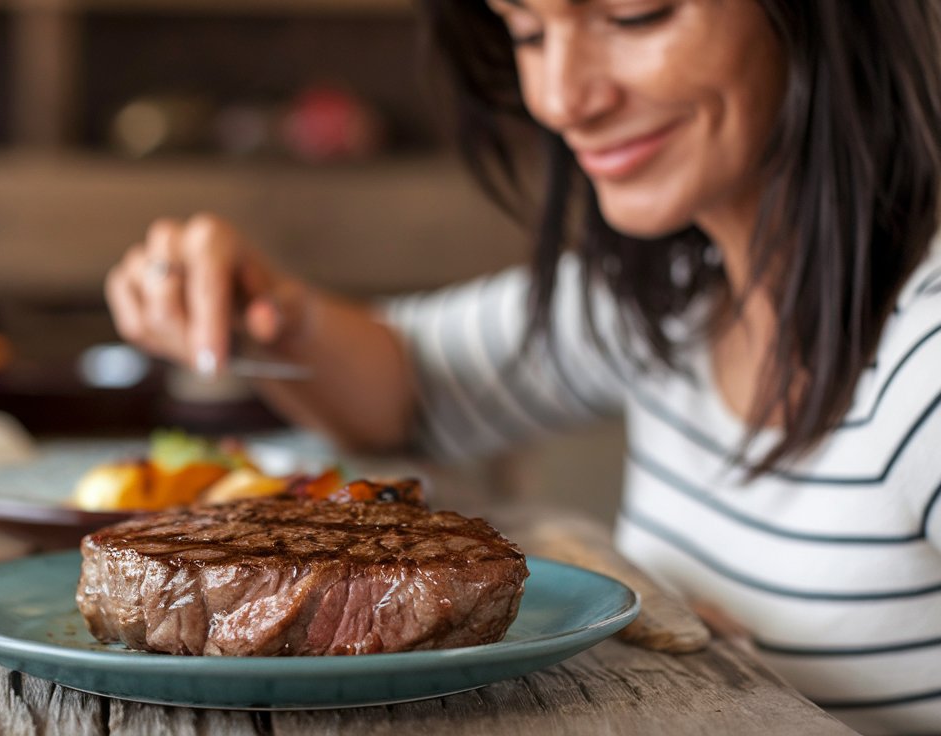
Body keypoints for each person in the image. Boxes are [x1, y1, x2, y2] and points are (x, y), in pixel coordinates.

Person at [103, 1, 941, 732]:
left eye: (633, 16)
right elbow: (411, 388)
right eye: (529, 31)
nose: (560, 97)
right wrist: (266, 311)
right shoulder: (672, 294)